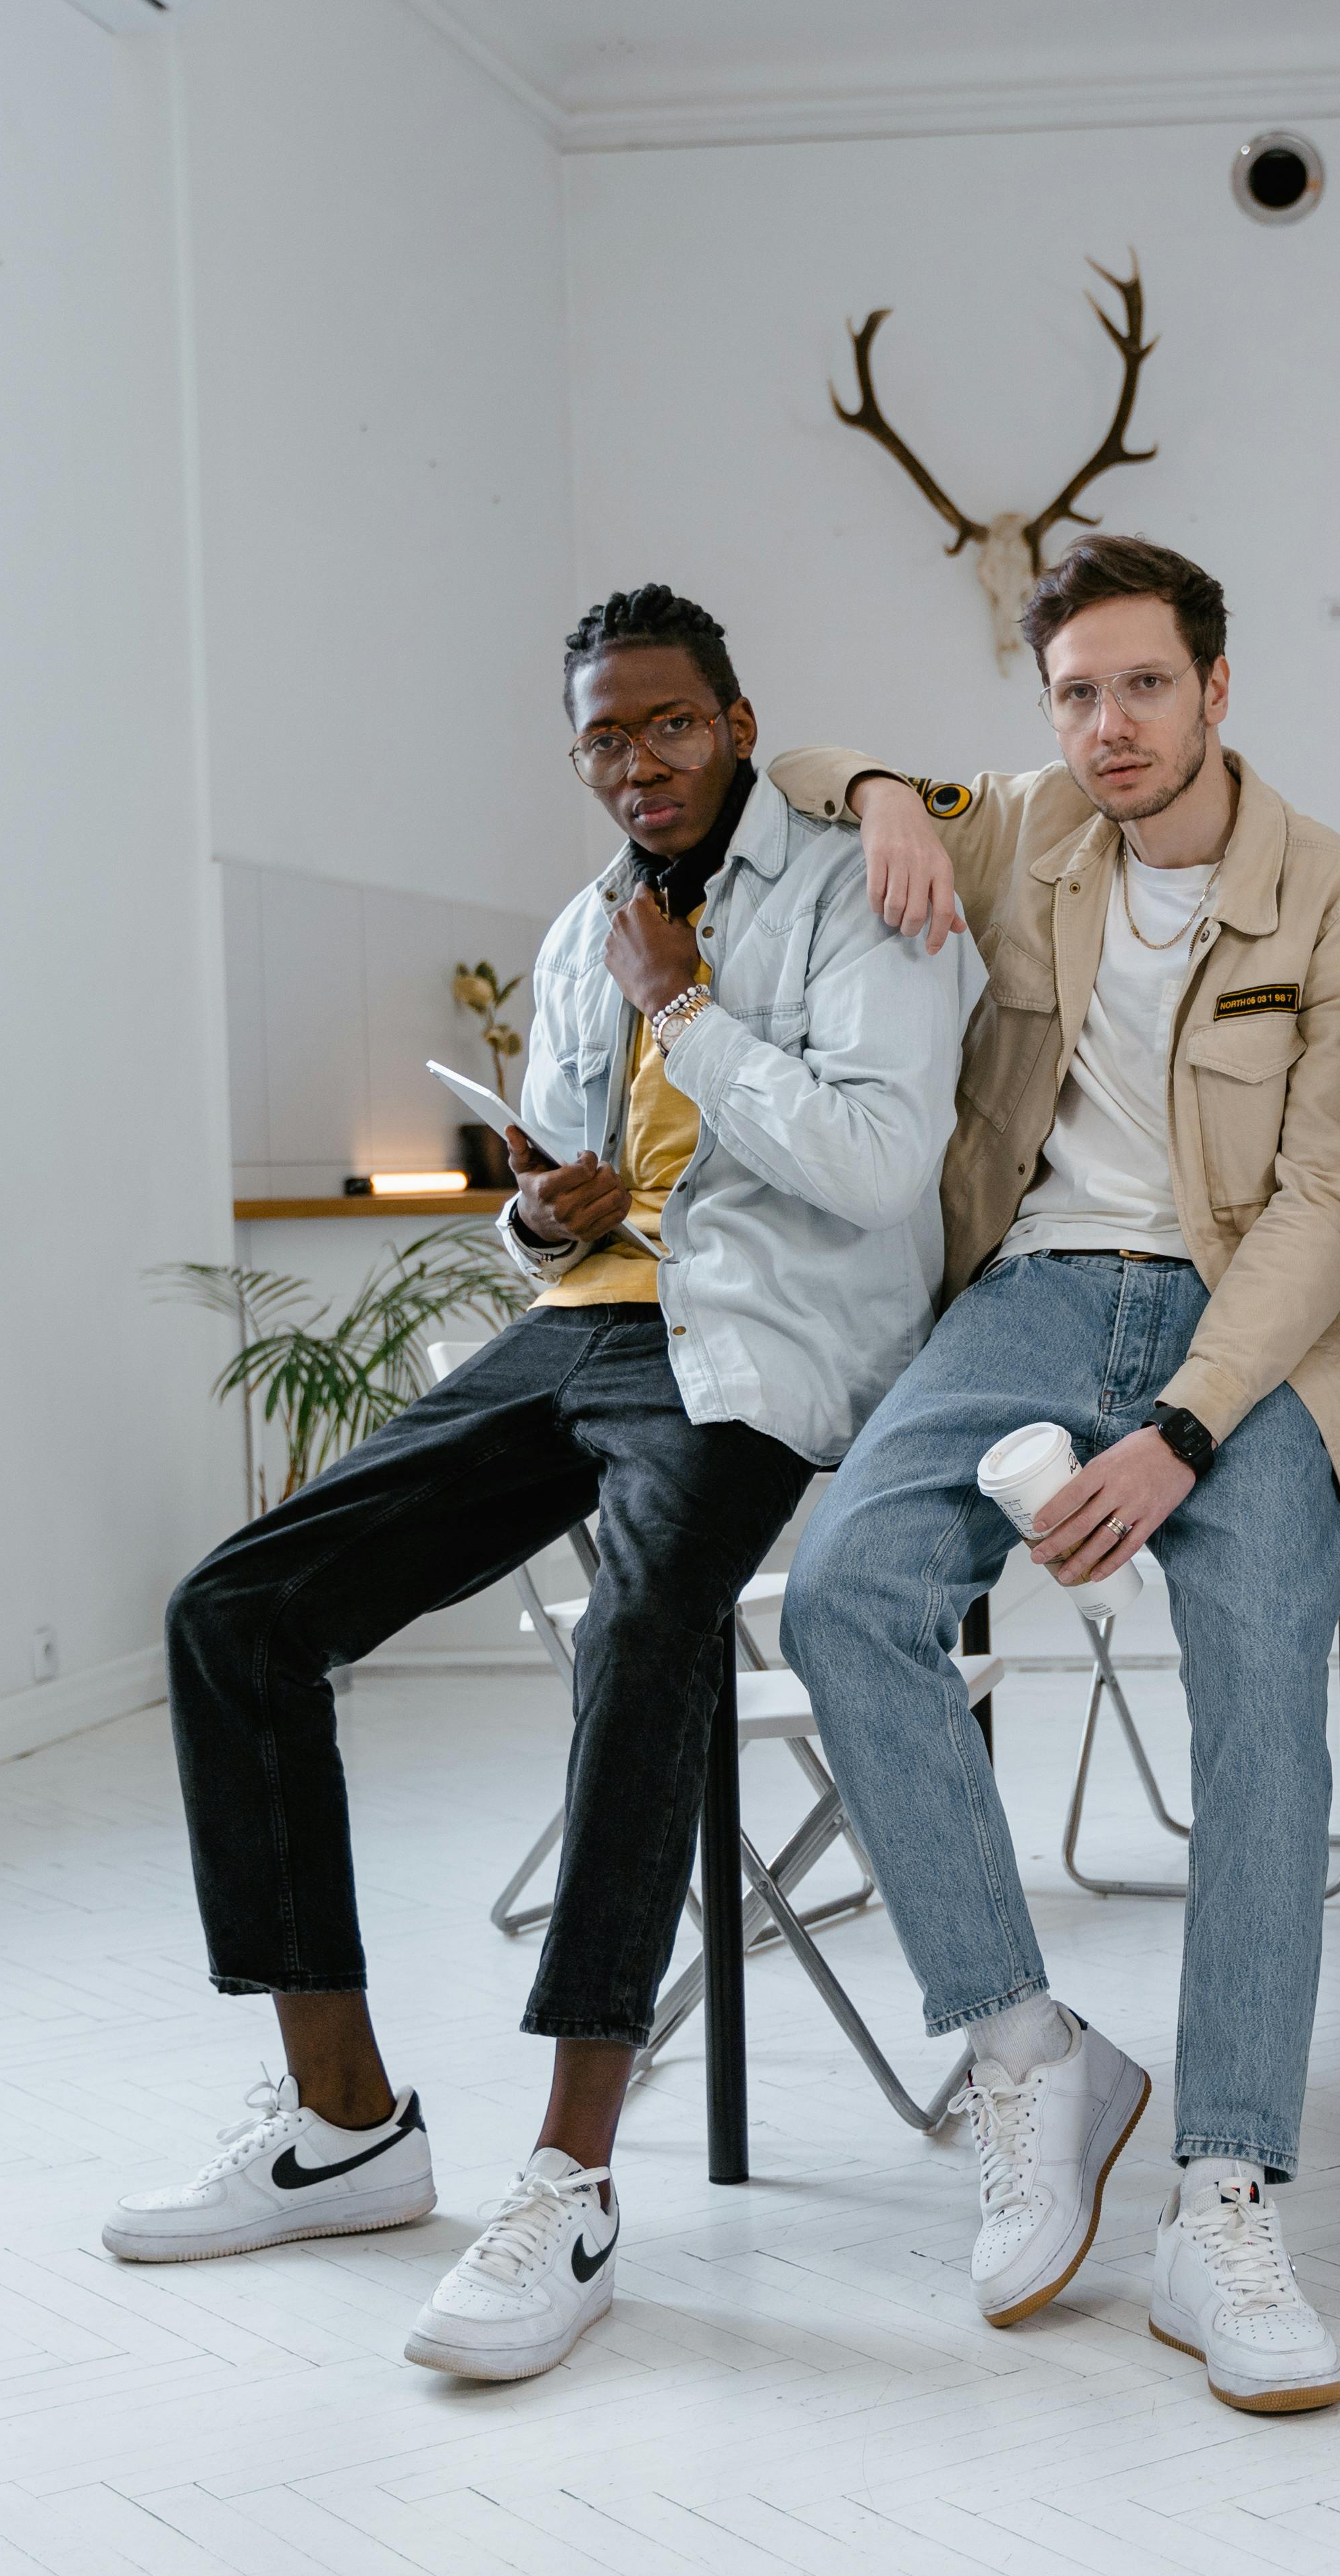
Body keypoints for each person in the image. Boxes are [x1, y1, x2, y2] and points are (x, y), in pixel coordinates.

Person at [105, 585, 970, 2382]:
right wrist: (537, 1208)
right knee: (234, 1613)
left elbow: (883, 1171)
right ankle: (344, 2124)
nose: (637, 766)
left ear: (739, 717)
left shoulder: (865, 888)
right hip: (584, 1325)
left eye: (668, 726)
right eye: (602, 738)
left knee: (643, 1628)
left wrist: (697, 1015)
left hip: (756, 1342)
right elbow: (565, 1173)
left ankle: (571, 2174)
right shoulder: (584, 928)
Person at [769, 535, 1340, 2417]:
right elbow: (798, 771)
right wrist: (887, 792)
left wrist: (1186, 1430)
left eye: (1144, 686)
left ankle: (1223, 2190)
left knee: (1267, 1690)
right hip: (1034, 1298)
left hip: (1255, 1326)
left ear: (1219, 689)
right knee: (844, 1593)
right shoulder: (1029, 830)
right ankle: (1030, 2049)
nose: (1111, 726)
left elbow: (1329, 1194)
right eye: (1074, 693)